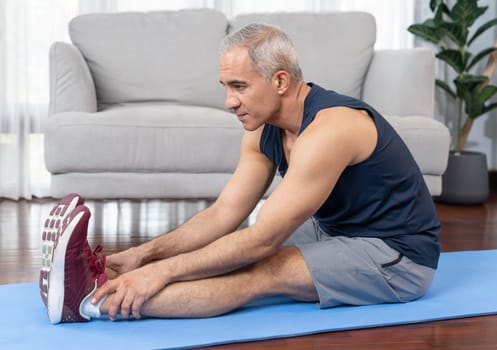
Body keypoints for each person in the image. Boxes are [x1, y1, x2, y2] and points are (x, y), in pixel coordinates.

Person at [40, 23, 440, 324]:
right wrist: (142, 256)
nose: (229, 102)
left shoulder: (331, 129)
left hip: (397, 256)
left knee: (261, 269)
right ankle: (93, 275)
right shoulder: (264, 127)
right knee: (219, 251)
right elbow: (222, 215)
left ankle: (90, 302)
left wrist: (158, 273)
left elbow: (262, 241)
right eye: (225, 87)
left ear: (280, 80)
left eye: (239, 87)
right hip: (336, 232)